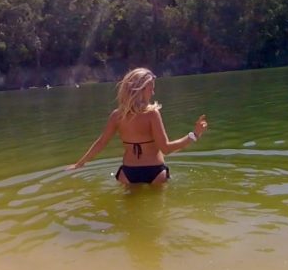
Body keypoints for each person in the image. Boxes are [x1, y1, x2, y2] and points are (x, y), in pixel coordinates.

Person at [66, 68, 208, 185]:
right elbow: (166, 148)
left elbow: (101, 143)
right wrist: (194, 135)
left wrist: (79, 164)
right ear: (139, 89)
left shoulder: (117, 116)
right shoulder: (152, 114)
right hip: (155, 172)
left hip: (128, 172)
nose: (153, 92)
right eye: (150, 88)